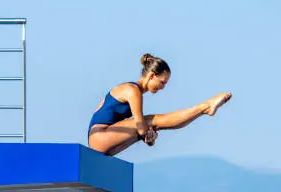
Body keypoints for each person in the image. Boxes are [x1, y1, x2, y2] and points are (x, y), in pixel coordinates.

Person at [87, 53, 232, 156]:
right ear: (151, 76)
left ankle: (205, 108)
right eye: (162, 82)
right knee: (151, 120)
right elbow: (140, 125)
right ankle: (205, 107)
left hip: (104, 143)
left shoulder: (135, 91)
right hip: (99, 138)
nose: (163, 87)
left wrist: (148, 137)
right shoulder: (132, 90)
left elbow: (142, 132)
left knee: (150, 124)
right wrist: (147, 133)